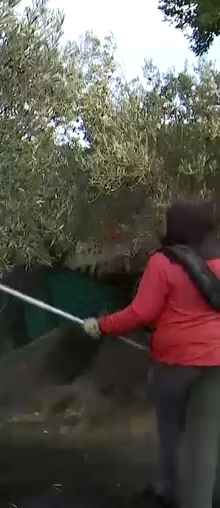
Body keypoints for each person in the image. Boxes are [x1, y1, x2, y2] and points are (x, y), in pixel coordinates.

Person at [81, 200, 220, 508]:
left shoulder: (164, 261)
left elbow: (141, 313)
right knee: (207, 437)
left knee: (170, 428)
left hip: (175, 364)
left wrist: (101, 326)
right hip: (217, 362)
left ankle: (169, 488)